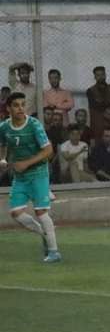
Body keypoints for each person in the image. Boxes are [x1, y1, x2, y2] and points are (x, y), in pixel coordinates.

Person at [0, 92, 61, 262]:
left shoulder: (34, 125)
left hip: (38, 173)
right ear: (8, 108)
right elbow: (3, 144)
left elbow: (48, 151)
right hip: (20, 176)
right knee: (16, 213)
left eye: (22, 104)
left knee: (40, 212)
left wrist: (26, 163)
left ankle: (54, 252)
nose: (20, 108)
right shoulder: (4, 127)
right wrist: (3, 159)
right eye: (16, 105)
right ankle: (45, 234)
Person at [86, 66, 110, 140]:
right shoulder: (90, 91)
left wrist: (101, 103)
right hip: (98, 123)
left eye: (102, 74)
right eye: (98, 75)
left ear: (105, 75)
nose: (101, 77)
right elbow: (94, 105)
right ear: (95, 77)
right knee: (98, 143)